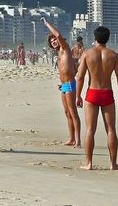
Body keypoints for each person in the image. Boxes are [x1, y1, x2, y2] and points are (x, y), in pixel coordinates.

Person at [76, 26, 118, 170]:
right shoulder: (113, 55)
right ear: (108, 38)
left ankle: (88, 163)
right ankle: (113, 163)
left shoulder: (87, 54)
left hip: (92, 93)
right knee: (111, 130)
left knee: (90, 129)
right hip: (107, 93)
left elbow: (80, 76)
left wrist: (78, 95)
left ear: (95, 38)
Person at [41, 17, 81, 147]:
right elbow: (72, 69)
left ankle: (78, 140)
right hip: (64, 85)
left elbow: (58, 35)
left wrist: (47, 24)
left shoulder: (65, 48)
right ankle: (71, 138)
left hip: (69, 85)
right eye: (51, 41)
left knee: (73, 112)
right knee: (67, 113)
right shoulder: (59, 54)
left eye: (54, 40)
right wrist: (63, 83)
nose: (53, 41)